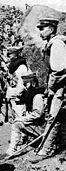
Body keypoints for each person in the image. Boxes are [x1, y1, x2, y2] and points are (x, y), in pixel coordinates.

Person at [29, 18, 66, 163]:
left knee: (53, 117)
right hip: (58, 86)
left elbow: (59, 70)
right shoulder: (51, 44)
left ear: (51, 29)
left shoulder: (57, 44)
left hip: (60, 87)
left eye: (42, 28)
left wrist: (51, 88)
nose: (40, 31)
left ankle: (46, 149)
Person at [0, 73, 46, 159]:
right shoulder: (32, 95)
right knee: (18, 122)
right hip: (39, 126)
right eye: (24, 84)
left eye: (26, 84)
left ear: (33, 84)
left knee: (16, 124)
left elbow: (37, 114)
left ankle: (11, 151)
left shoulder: (37, 96)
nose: (25, 87)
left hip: (43, 128)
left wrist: (22, 119)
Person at [5, 46, 32, 120]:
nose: (8, 55)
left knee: (19, 117)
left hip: (18, 96)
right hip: (13, 94)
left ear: (16, 54)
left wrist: (18, 94)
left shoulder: (21, 66)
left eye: (10, 54)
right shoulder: (14, 65)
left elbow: (21, 82)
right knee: (15, 117)